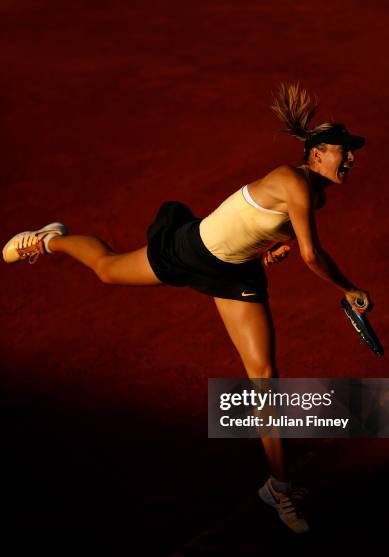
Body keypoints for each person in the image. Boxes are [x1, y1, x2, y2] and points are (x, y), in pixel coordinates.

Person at [3, 83, 370, 534]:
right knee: (107, 269)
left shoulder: (316, 194)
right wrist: (348, 288)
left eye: (351, 152)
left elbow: (265, 227)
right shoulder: (293, 180)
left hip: (235, 274)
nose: (350, 159)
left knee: (263, 377)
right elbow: (312, 256)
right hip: (192, 250)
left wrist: (271, 249)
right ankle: (49, 239)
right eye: (342, 152)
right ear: (315, 155)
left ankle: (278, 486)